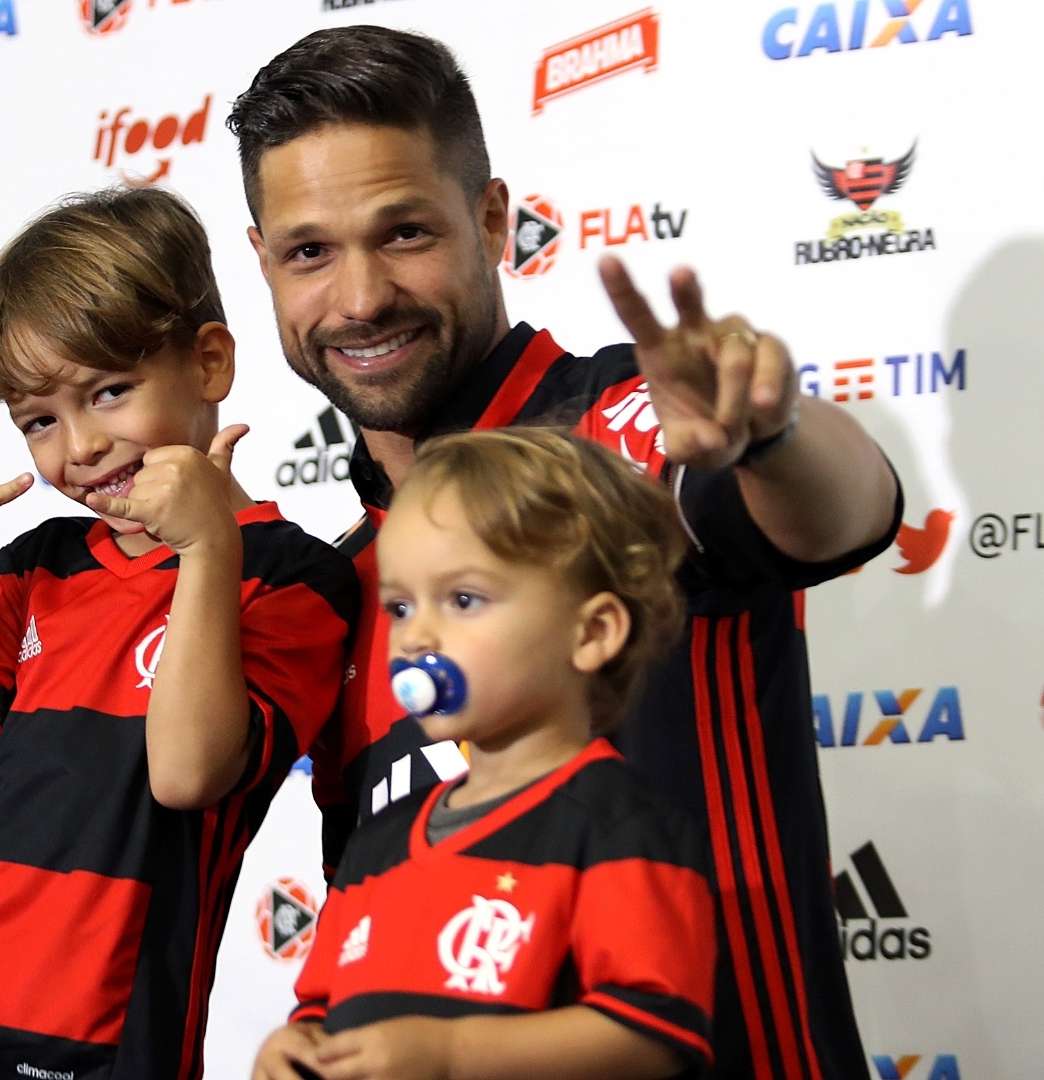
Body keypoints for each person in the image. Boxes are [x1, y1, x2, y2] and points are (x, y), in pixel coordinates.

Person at [228, 28, 902, 1080]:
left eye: (404, 233)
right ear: (264, 262)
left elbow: (843, 515)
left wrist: (770, 437)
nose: (359, 299)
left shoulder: (623, 429)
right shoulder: (336, 584)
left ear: (493, 220)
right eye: (309, 252)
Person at [0, 186, 359, 1080]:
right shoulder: (34, 563)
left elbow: (188, 774)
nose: (78, 446)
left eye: (109, 392)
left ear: (209, 363)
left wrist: (207, 549)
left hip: (103, 1041)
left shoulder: (292, 576)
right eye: (39, 420)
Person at [254, 428, 716, 1080]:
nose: (416, 635)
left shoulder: (622, 825)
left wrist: (448, 1056)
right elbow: (322, 1009)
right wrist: (294, 1048)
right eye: (400, 606)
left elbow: (651, 1034)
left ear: (591, 632)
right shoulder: (377, 842)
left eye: (464, 599)